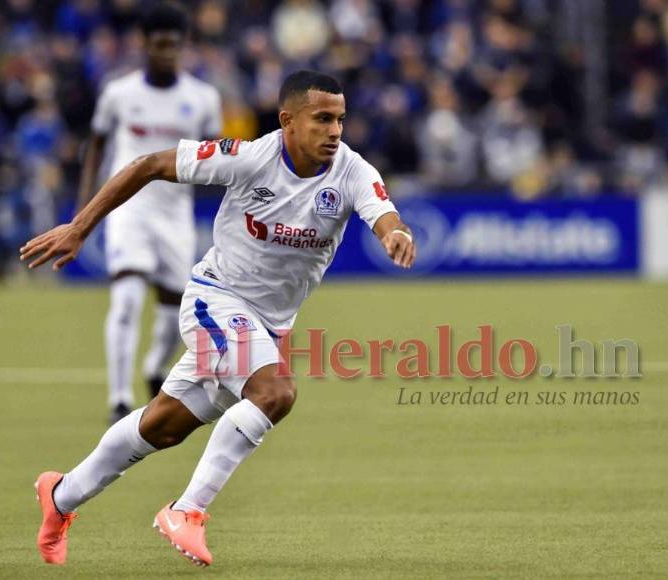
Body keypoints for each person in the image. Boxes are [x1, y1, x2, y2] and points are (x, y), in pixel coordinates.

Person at [21, 70, 416, 568]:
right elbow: (148, 165)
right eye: (322, 119)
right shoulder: (249, 157)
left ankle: (59, 496)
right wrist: (80, 228)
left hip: (268, 326)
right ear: (287, 121)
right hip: (216, 299)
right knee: (275, 393)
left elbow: (384, 212)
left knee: (162, 428)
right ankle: (187, 510)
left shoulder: (352, 171)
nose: (334, 130)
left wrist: (392, 234)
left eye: (340, 118)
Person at [77, 2, 223, 423]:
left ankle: (153, 368)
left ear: (184, 46)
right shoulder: (118, 93)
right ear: (143, 44)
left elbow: (216, 160)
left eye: (173, 45)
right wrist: (87, 206)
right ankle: (120, 400)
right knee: (125, 298)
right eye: (158, 44)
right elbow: (97, 145)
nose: (166, 53)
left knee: (176, 312)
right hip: (128, 210)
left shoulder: (202, 98)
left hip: (175, 213)